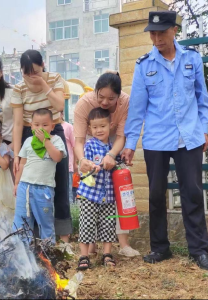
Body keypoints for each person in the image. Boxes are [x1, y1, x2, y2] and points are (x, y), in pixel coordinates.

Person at [123, 11, 208, 271]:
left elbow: (203, 99)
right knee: (155, 194)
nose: (156, 38)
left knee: (193, 193)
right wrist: (130, 143)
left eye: (161, 33)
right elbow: (137, 109)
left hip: (188, 137)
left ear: (174, 30)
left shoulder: (192, 59)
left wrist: (203, 129)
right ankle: (159, 248)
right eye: (152, 33)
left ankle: (199, 251)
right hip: (156, 138)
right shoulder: (144, 65)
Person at [11, 49, 73, 252]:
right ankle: (35, 241)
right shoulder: (19, 88)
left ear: (43, 66)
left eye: (35, 71)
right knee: (32, 185)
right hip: (30, 135)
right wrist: (17, 155)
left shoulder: (55, 79)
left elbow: (59, 106)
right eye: (26, 72)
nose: (31, 76)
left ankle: (63, 241)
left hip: (54, 130)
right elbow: (19, 123)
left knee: (60, 185)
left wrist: (43, 84)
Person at [73, 71, 140, 257]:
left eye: (111, 99)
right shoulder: (84, 104)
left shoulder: (126, 102)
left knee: (118, 187)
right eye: (100, 97)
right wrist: (83, 160)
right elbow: (79, 140)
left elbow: (120, 136)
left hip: (114, 141)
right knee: (92, 189)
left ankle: (123, 243)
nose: (104, 102)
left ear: (119, 96)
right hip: (91, 138)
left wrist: (111, 155)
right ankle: (91, 245)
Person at [13, 108, 67, 244]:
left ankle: (48, 252)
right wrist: (16, 183)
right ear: (31, 125)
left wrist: (46, 141)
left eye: (45, 125)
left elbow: (57, 157)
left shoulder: (56, 140)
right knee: (21, 221)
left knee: (45, 222)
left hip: (44, 189)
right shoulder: (28, 141)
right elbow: (22, 164)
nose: (40, 128)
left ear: (52, 126)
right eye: (36, 125)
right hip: (24, 186)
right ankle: (22, 254)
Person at [77, 108, 122, 270]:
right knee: (87, 224)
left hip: (108, 195)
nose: (99, 130)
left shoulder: (113, 148)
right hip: (90, 194)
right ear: (89, 128)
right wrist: (90, 167)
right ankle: (84, 255)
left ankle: (107, 254)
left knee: (108, 225)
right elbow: (82, 167)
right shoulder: (89, 146)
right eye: (95, 127)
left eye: (102, 126)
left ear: (110, 126)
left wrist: (117, 163)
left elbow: (119, 168)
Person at [60, 112, 76, 203]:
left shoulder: (68, 127)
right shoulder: (50, 127)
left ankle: (71, 214)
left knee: (68, 192)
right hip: (55, 166)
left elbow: (75, 146)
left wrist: (75, 164)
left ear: (62, 114)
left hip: (68, 166)